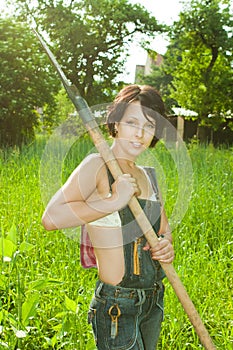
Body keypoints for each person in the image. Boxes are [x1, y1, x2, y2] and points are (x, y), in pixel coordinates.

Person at [42, 84, 175, 349]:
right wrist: (114, 200)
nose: (139, 134)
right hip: (118, 304)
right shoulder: (98, 165)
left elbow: (163, 231)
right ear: (116, 122)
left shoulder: (149, 175)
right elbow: (51, 217)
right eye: (132, 122)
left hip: (153, 300)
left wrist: (166, 247)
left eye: (149, 126)